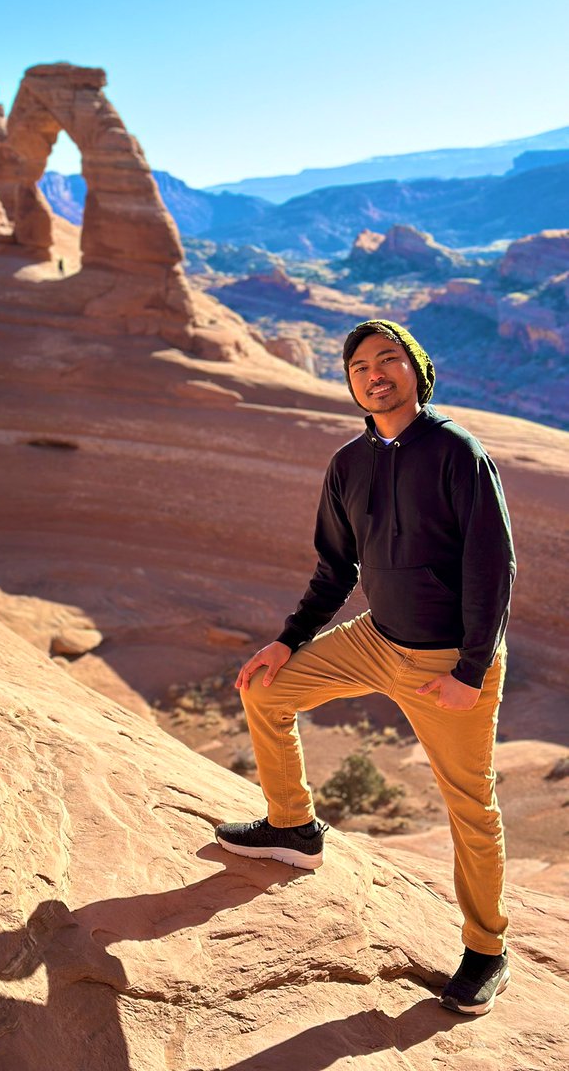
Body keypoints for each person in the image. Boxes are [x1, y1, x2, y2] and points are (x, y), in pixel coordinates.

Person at [215, 319, 515, 1016]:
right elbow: (336, 566)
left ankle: (486, 950)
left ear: (416, 369)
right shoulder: (348, 462)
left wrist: (471, 672)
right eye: (359, 367)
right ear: (349, 383)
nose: (374, 374)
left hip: (448, 661)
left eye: (388, 360)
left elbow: (492, 566)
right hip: (376, 639)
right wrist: (289, 639)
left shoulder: (456, 451)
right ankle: (293, 828)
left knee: (471, 807)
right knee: (266, 690)